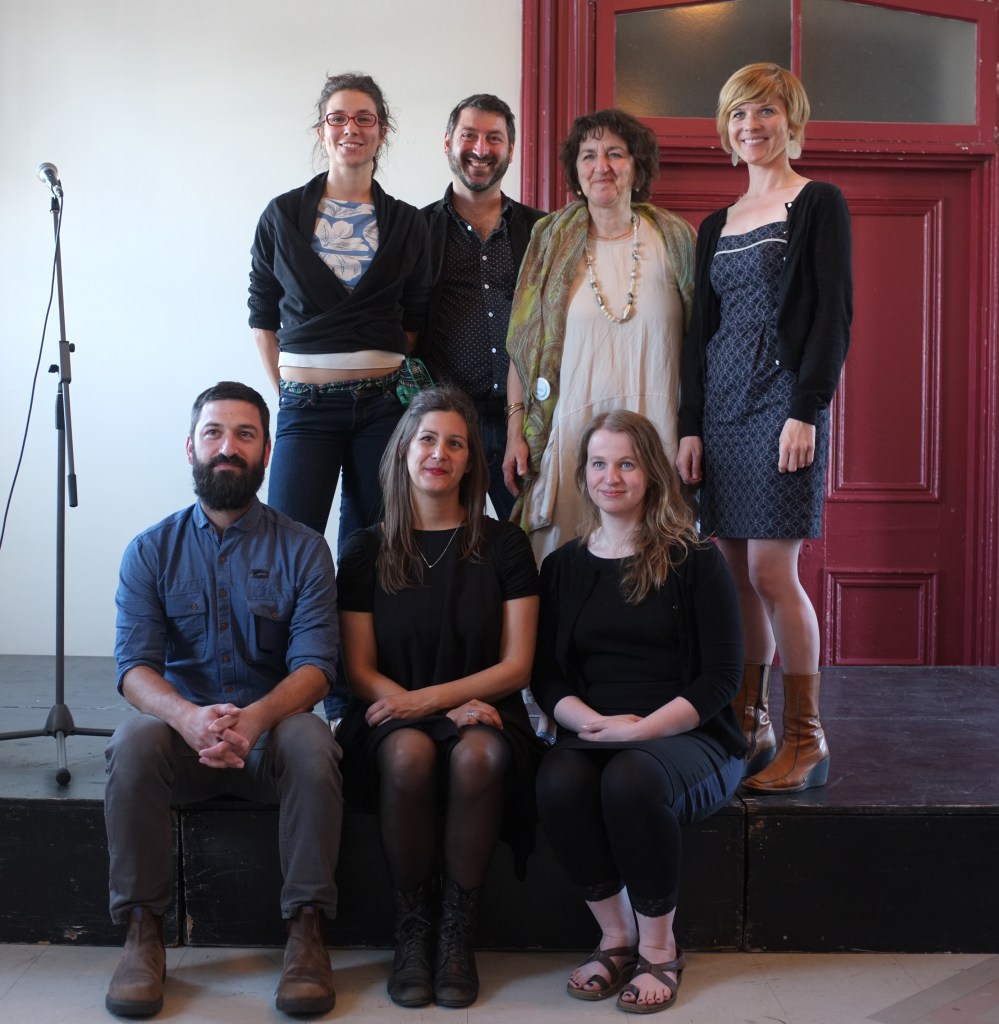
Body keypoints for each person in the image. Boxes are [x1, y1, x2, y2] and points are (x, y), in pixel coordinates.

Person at [105, 382, 343, 1017]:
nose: (227, 448)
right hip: (184, 749)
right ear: (191, 447)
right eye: (214, 434)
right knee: (131, 740)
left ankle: (307, 934)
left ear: (266, 453)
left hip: (269, 745)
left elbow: (318, 667)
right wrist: (186, 718)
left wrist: (257, 718)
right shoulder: (150, 552)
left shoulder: (305, 549)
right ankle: (141, 934)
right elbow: (134, 669)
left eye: (244, 436)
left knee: (313, 738)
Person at [533, 410, 745, 1015]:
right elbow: (546, 674)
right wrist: (585, 723)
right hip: (595, 728)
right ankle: (616, 936)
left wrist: (642, 729)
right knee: (558, 778)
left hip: (690, 736)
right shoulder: (563, 568)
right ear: (584, 474)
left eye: (626, 463)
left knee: (631, 777)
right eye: (599, 463)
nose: (612, 477)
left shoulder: (695, 560)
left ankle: (658, 948)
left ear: (651, 472)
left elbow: (722, 678)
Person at [337, 386, 542, 1009]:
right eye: (427, 439)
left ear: (471, 461)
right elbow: (359, 669)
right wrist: (418, 708)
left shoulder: (504, 543)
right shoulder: (366, 549)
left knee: (476, 756)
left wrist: (435, 705)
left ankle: (457, 931)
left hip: (482, 708)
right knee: (408, 757)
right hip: (387, 709)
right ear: (402, 451)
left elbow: (517, 666)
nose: (440, 453)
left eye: (456, 443)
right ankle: (412, 930)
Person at [678, 63, 853, 794]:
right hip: (722, 412)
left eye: (766, 112)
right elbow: (698, 334)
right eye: (739, 115)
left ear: (791, 120)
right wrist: (690, 426)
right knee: (733, 574)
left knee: (771, 571)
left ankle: (808, 739)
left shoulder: (818, 203)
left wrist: (806, 409)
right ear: (727, 129)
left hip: (783, 409)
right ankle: (751, 724)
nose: (752, 126)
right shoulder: (716, 224)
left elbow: (833, 315)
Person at [248, 71, 430, 721]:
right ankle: (288, 692)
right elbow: (262, 315)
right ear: (321, 129)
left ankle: (356, 699)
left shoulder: (408, 223)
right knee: (288, 546)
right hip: (305, 410)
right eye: (338, 118)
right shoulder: (282, 215)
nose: (350, 129)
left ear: (382, 131)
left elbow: (412, 318)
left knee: (373, 548)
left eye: (363, 118)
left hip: (384, 408)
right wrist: (290, 393)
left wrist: (376, 375)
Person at [503, 107, 696, 563]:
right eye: (588, 155)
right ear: (575, 169)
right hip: (570, 436)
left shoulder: (675, 239)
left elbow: (703, 349)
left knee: (659, 566)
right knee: (564, 569)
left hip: (659, 435)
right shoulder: (550, 240)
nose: (601, 166)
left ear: (637, 166)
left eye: (615, 153)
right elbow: (523, 348)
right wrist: (515, 429)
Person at [419, 93, 545, 520]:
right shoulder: (415, 230)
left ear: (511, 148)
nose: (480, 149)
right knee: (442, 548)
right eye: (469, 135)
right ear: (447, 142)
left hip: (526, 423)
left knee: (533, 546)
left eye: (494, 138)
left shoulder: (543, 230)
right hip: (445, 423)